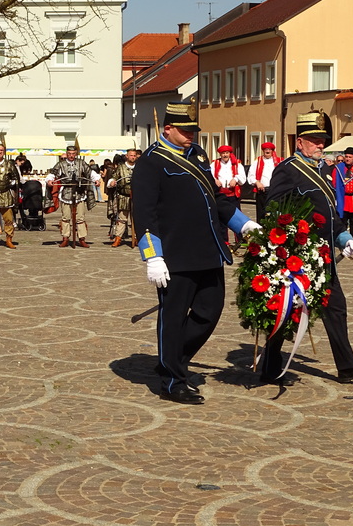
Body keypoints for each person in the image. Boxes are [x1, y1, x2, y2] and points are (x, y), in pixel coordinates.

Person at [133, 101, 260, 405]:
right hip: (174, 254)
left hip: (208, 249)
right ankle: (172, 380)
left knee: (209, 312)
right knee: (173, 318)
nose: (191, 135)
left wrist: (243, 224)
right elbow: (145, 214)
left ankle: (172, 359)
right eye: (185, 130)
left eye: (193, 130)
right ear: (168, 129)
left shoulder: (198, 155)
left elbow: (216, 199)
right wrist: (153, 256)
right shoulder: (151, 162)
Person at [263, 111, 353, 385]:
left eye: (322, 140)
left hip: (323, 256)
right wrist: (287, 244)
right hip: (298, 257)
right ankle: (270, 365)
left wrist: (344, 239)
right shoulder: (288, 169)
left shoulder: (322, 170)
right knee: (287, 311)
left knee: (336, 307)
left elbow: (330, 214)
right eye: (314, 140)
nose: (320, 145)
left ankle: (347, 367)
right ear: (299, 142)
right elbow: (272, 210)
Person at [45, 145, 101, 247]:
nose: (71, 156)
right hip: (66, 193)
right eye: (69, 154)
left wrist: (96, 179)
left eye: (73, 154)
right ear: (67, 154)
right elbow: (52, 174)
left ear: (76, 154)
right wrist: (49, 180)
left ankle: (82, 238)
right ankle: (65, 238)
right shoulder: (61, 164)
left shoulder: (81, 163)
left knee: (80, 217)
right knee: (65, 217)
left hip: (79, 193)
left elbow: (90, 172)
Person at [211, 144, 246, 245]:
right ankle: (224, 241)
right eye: (223, 153)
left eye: (226, 153)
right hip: (221, 194)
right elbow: (209, 175)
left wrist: (235, 179)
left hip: (233, 194)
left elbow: (242, 177)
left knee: (237, 216)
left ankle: (239, 240)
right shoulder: (214, 164)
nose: (225, 155)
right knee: (221, 218)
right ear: (220, 154)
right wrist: (215, 180)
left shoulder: (237, 164)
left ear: (230, 153)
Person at [106, 148, 138, 247]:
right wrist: (112, 182)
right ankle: (118, 238)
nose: (133, 157)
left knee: (137, 219)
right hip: (124, 197)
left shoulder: (140, 167)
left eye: (134, 155)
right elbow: (114, 177)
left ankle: (137, 238)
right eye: (131, 155)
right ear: (127, 156)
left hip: (137, 197)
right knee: (122, 219)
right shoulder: (121, 167)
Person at [247, 142, 281, 220]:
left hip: (275, 191)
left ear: (272, 151)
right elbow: (250, 175)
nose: (267, 151)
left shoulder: (279, 161)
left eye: (269, 149)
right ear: (263, 151)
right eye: (265, 149)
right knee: (261, 214)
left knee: (274, 214)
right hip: (262, 191)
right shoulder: (257, 161)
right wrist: (257, 182)